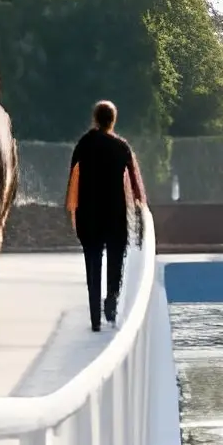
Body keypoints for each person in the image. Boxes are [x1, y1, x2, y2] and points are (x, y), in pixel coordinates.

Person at [63, 98, 147, 330]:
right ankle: (111, 301)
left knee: (92, 264)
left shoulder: (83, 144)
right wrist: (140, 206)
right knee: (115, 261)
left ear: (95, 119)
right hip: (115, 215)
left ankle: (94, 317)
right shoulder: (121, 147)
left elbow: (73, 181)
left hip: (89, 215)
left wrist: (72, 211)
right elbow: (136, 185)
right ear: (113, 120)